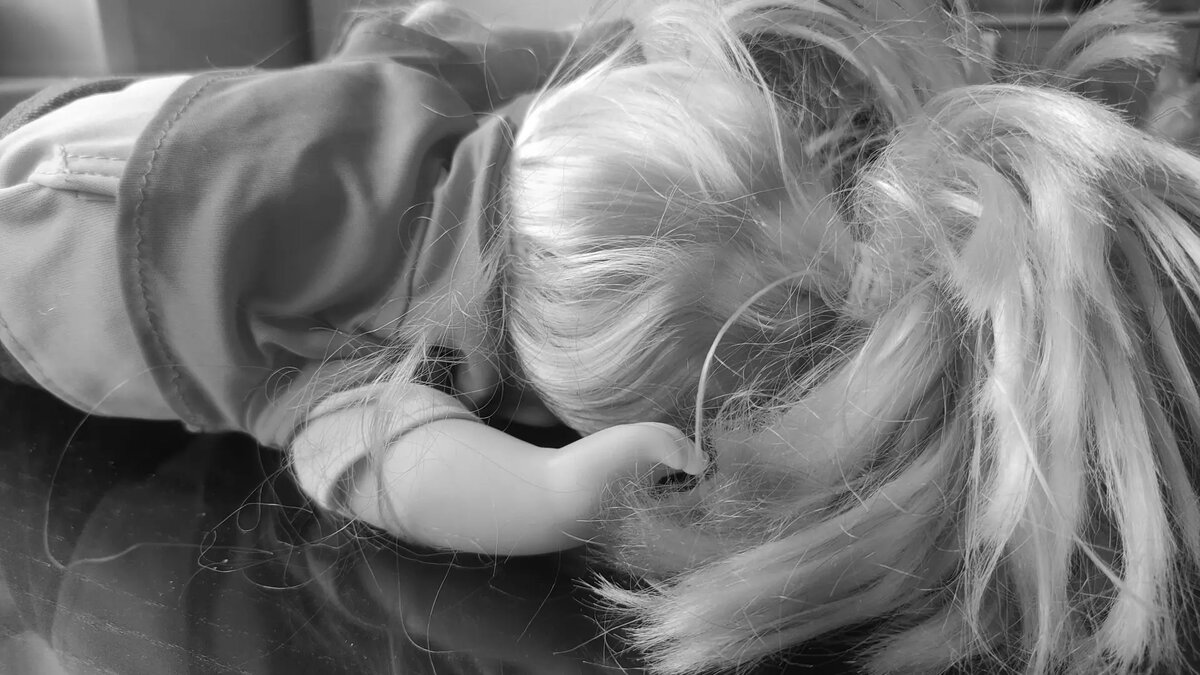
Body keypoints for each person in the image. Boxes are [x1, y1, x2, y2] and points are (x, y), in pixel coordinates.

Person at [0, 0, 1197, 673]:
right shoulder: (377, 342)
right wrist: (552, 488)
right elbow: (376, 456)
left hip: (144, 128)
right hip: (67, 282)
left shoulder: (483, 112)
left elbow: (428, 28)